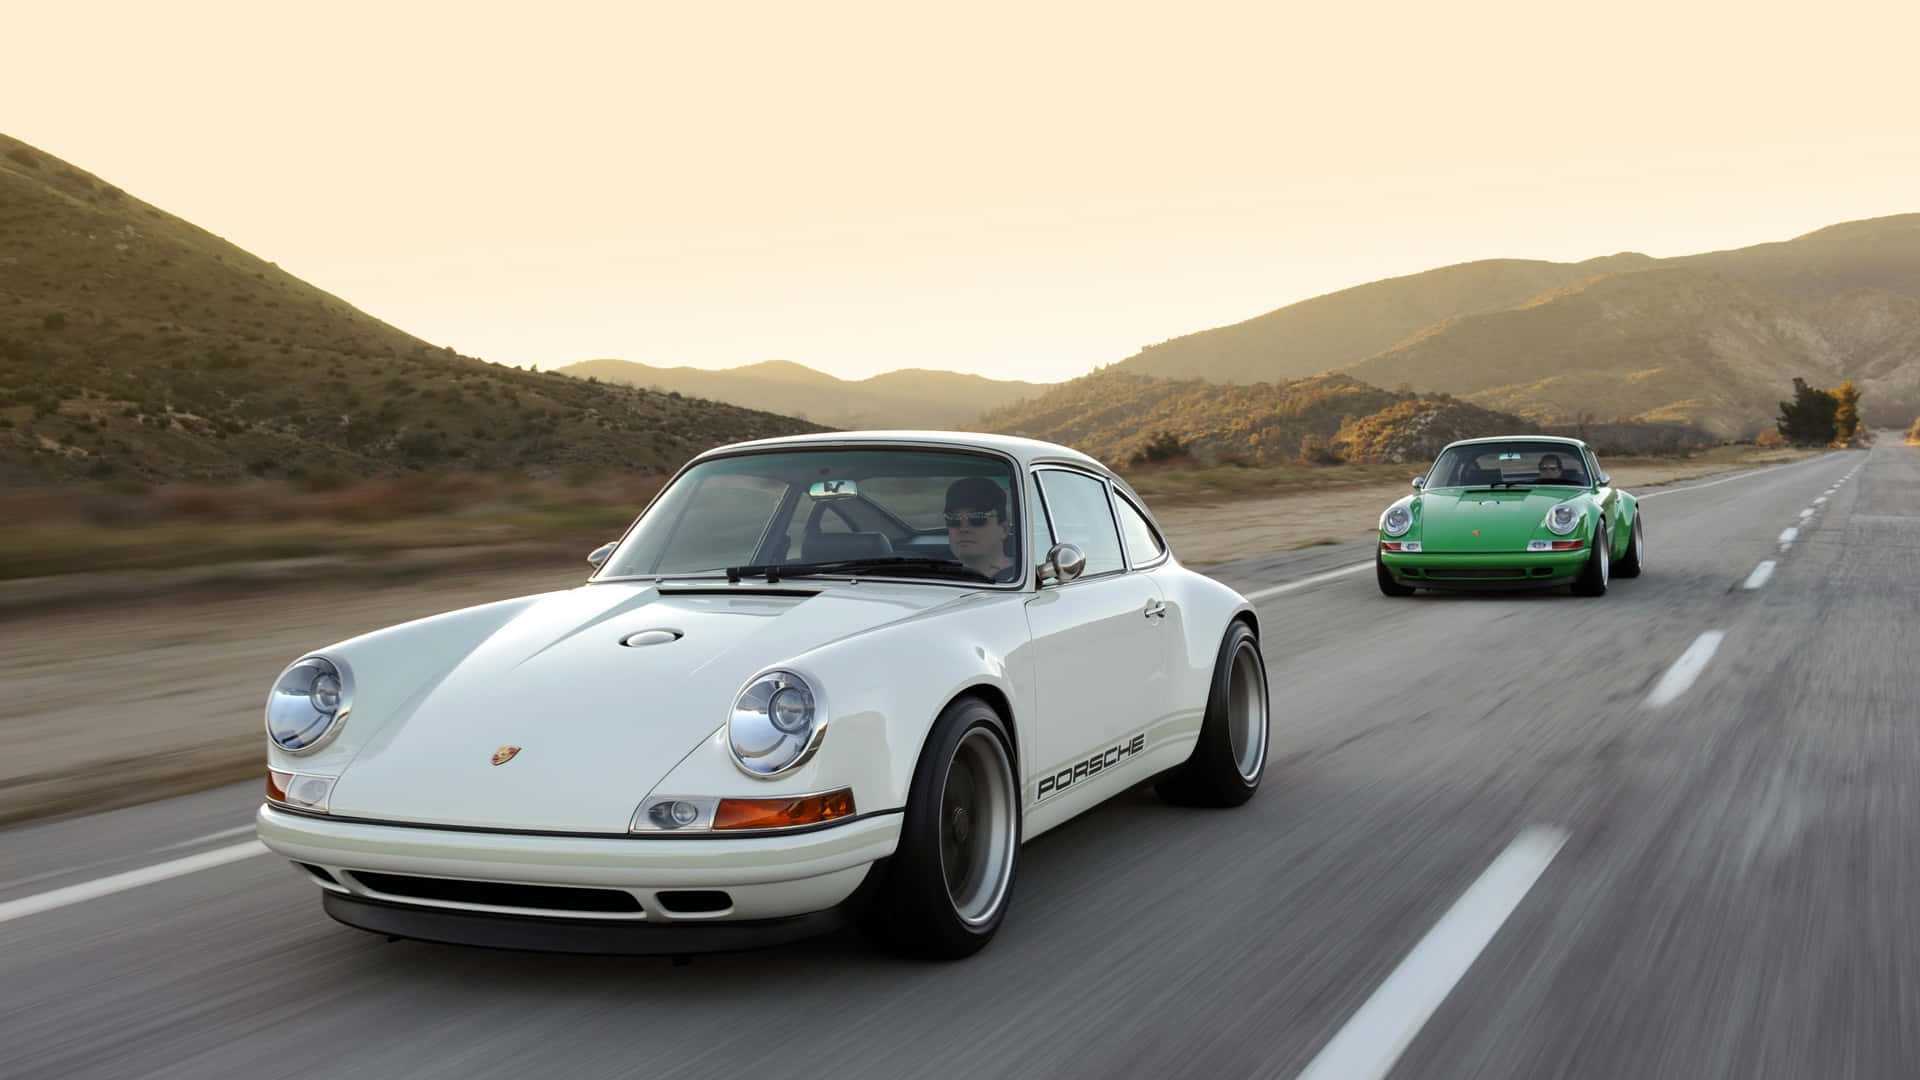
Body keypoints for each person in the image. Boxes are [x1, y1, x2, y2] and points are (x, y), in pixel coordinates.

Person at [944, 476, 1018, 582]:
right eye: (953, 518)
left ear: (1004, 529)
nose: (963, 528)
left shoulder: (1026, 577)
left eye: (977, 518)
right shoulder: (933, 578)